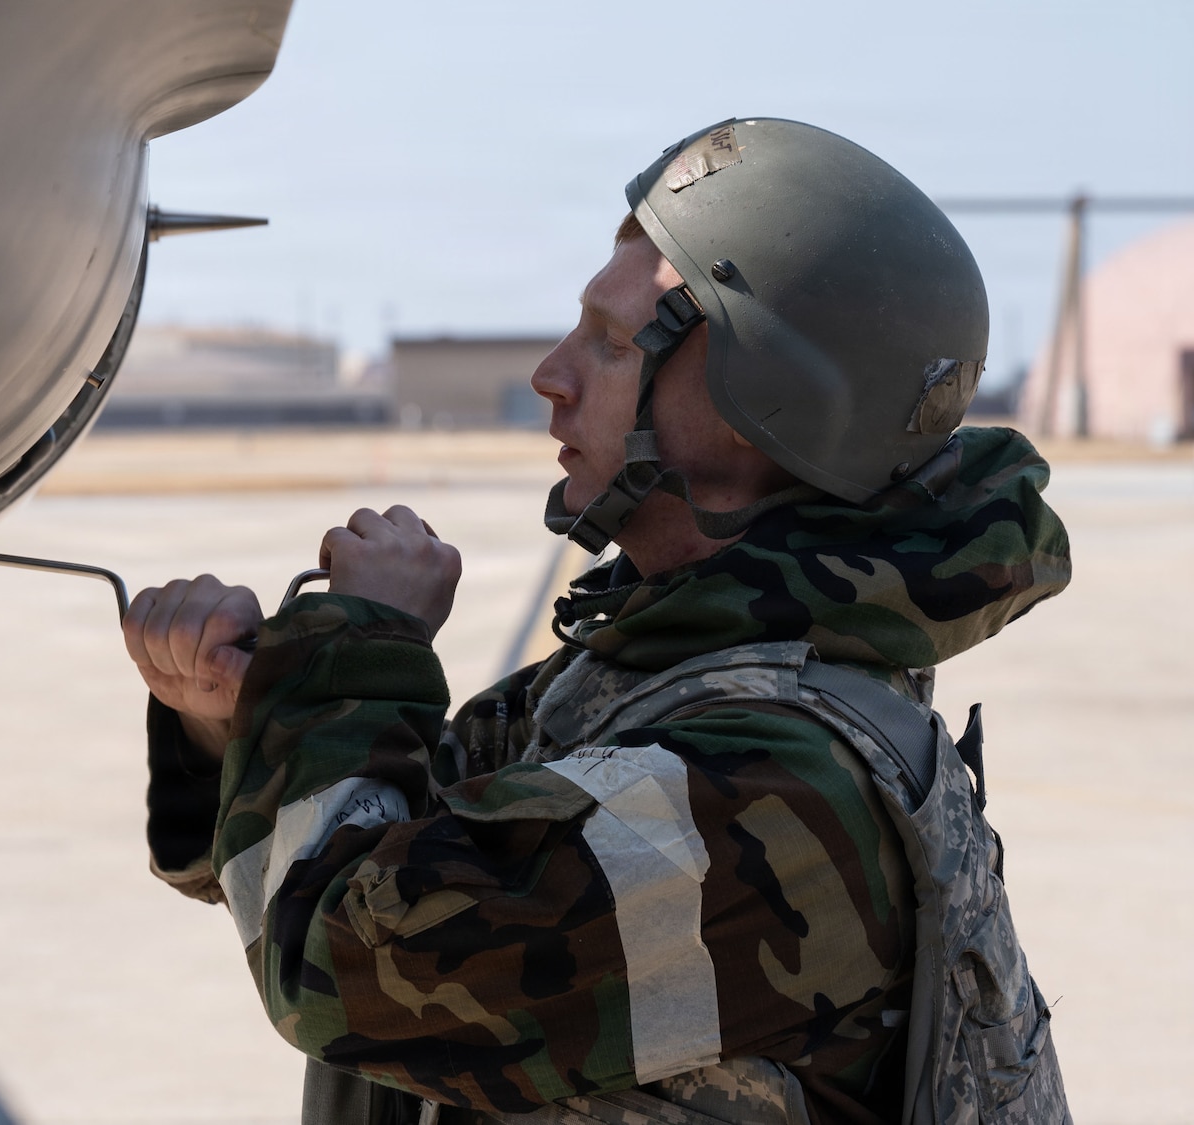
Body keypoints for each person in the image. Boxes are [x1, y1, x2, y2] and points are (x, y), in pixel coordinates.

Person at [123, 119, 1074, 1125]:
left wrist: (358, 649)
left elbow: (340, 967)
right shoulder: (650, 681)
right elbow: (361, 836)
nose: (550, 374)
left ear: (766, 402)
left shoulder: (767, 782)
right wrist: (231, 718)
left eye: (611, 343)